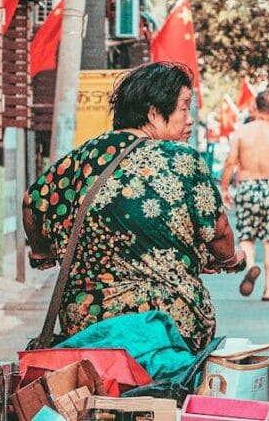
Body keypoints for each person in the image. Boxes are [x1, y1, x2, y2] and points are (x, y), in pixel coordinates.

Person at [24, 63, 246, 351]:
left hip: (87, 324)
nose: (189, 120)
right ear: (154, 113)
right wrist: (229, 259)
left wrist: (43, 253)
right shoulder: (181, 158)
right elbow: (218, 232)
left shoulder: (82, 157)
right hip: (166, 322)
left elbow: (32, 203)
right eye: (184, 108)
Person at [221, 90, 269, 301]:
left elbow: (230, 162)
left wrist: (225, 188)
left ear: (255, 106)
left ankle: (251, 266)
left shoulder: (243, 133)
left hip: (247, 185)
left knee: (246, 236)